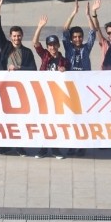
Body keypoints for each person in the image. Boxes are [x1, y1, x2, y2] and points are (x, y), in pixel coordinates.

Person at [33, 17, 71, 159]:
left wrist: (65, 70)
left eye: (54, 45)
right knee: (44, 121)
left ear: (58, 46)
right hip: (44, 94)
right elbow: (35, 43)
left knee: (55, 122)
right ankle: (43, 148)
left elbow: (70, 78)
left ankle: (55, 149)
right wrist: (39, 27)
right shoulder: (45, 56)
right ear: (47, 46)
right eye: (50, 45)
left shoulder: (64, 60)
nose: (52, 47)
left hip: (57, 95)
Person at [0, 0, 36, 71]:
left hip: (20, 78)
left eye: (19, 36)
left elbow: (33, 69)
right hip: (5, 78)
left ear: (22, 35)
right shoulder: (5, 46)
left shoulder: (27, 52)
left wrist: (18, 67)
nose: (16, 38)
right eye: (14, 36)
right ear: (10, 36)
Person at [62, 0, 97, 72]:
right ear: (71, 38)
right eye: (75, 37)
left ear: (83, 37)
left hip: (84, 77)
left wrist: (88, 15)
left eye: (80, 37)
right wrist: (74, 13)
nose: (78, 39)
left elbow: (93, 32)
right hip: (71, 77)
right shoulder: (68, 47)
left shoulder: (86, 48)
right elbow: (65, 30)